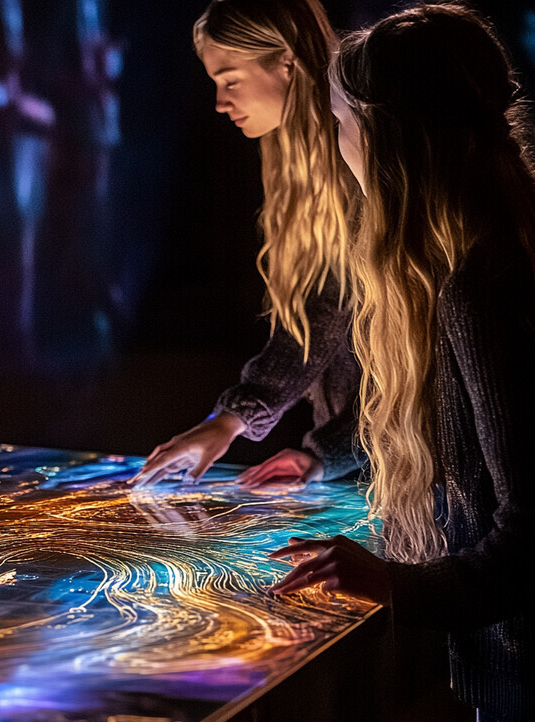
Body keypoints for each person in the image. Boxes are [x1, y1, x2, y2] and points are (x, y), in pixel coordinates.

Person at [267, 3, 535, 722]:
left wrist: (392, 584)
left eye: (339, 122)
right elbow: (470, 429)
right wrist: (316, 455)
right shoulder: (530, 244)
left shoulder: (485, 285)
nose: (335, 145)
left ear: (386, 133)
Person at [129, 0, 364, 489]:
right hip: (380, 465)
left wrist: (232, 418)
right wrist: (325, 458)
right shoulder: (295, 165)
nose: (219, 102)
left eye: (230, 79)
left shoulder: (360, 161)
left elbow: (328, 305)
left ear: (286, 61)